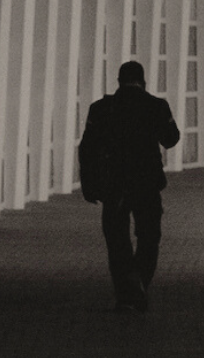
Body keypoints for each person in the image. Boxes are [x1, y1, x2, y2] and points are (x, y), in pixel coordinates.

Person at [77, 60, 181, 312]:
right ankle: (139, 281)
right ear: (143, 81)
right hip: (146, 183)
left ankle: (125, 294)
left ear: (119, 81)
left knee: (116, 239)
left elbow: (87, 148)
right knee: (149, 237)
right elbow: (170, 139)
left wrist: (89, 184)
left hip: (114, 184)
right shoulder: (156, 106)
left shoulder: (101, 109)